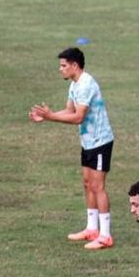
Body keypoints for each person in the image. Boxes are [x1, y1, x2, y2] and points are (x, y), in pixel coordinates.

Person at [30, 48, 116, 250]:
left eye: (63, 66)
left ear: (74, 66)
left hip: (100, 141)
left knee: (98, 186)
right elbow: (69, 110)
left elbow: (78, 117)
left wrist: (51, 116)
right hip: (88, 141)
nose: (60, 69)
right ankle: (91, 229)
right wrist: (46, 116)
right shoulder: (74, 84)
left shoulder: (86, 84)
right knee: (87, 183)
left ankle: (105, 235)